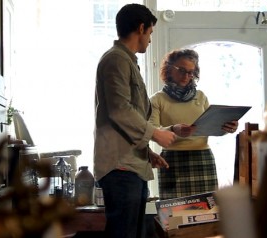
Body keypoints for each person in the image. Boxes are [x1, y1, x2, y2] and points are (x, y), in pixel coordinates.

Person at [93, 3, 175, 238]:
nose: (150, 40)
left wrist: (147, 151)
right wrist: (155, 133)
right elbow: (120, 110)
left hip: (131, 165)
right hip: (120, 168)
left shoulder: (126, 60)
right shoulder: (116, 60)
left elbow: (129, 116)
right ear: (141, 28)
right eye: (150, 33)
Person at [149, 49, 239, 200]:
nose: (186, 76)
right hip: (172, 160)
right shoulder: (157, 99)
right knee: (173, 214)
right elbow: (151, 130)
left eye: (191, 72)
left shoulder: (201, 96)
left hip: (202, 157)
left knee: (208, 212)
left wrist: (226, 127)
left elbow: (211, 125)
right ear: (169, 69)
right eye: (182, 70)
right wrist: (173, 129)